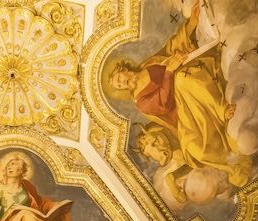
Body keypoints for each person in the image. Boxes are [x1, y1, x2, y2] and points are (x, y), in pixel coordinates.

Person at [106, 2, 250, 188]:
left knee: (182, 79)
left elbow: (169, 49)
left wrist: (191, 23)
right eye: (118, 85)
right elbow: (163, 103)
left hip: (192, 80)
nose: (122, 82)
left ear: (123, 69)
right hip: (182, 112)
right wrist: (169, 72)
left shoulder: (146, 66)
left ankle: (222, 110)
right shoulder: (140, 102)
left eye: (119, 77)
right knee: (194, 148)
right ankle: (233, 164)